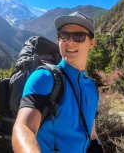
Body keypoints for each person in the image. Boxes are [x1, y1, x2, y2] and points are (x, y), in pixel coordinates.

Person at [12, 12, 101, 152]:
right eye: (64, 35)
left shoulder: (91, 88)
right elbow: (24, 128)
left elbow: (91, 133)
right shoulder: (44, 77)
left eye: (79, 36)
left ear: (92, 43)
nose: (70, 42)